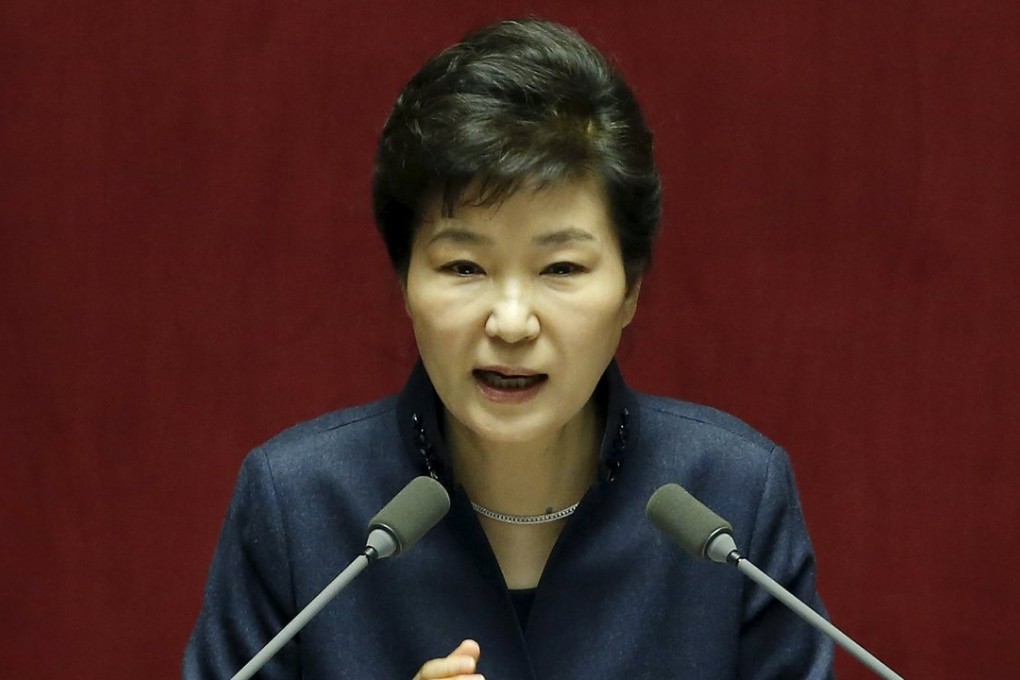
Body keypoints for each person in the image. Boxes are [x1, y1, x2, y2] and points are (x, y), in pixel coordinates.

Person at [184, 18, 834, 679]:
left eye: (561, 268)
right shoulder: (298, 505)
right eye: (464, 267)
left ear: (631, 289)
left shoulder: (731, 501)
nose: (513, 322)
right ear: (405, 281)